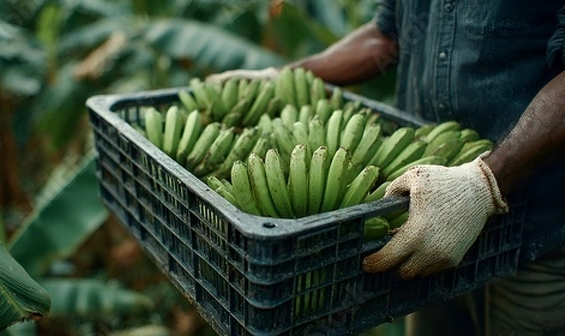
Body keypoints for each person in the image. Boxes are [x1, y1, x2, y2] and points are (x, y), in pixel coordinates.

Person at [209, 1, 565, 334]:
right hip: (424, 219)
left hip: (530, 233)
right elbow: (387, 36)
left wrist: (484, 183)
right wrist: (288, 75)